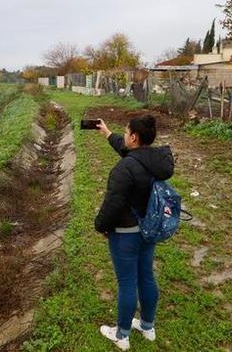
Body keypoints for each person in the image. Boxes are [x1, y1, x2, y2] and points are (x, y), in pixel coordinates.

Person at [93, 115, 174, 350]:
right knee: (146, 277)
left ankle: (122, 335)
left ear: (134, 137)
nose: (125, 135)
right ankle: (147, 327)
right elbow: (130, 152)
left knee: (127, 282)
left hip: (125, 234)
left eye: (126, 132)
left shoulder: (125, 167)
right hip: (147, 230)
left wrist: (100, 226)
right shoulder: (157, 161)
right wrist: (107, 132)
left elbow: (113, 203)